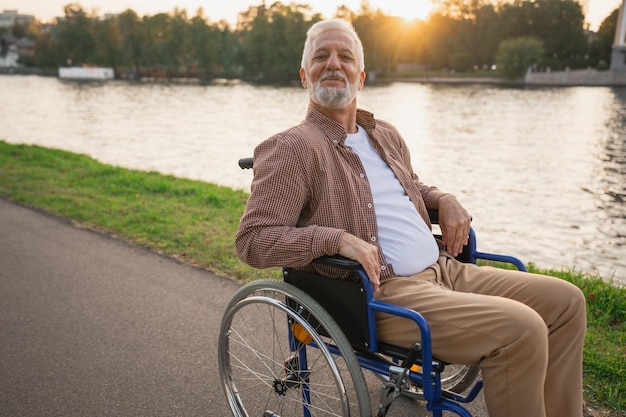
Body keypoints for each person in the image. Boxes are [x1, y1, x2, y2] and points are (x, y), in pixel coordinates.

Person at [235, 18, 586, 417]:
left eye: (345, 56)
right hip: (381, 293)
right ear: (304, 75)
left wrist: (445, 199)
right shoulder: (293, 148)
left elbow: (410, 189)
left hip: (445, 270)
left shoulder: (383, 133)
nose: (333, 63)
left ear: (361, 76)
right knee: (522, 329)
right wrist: (335, 239)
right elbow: (254, 239)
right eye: (321, 56)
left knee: (567, 303)